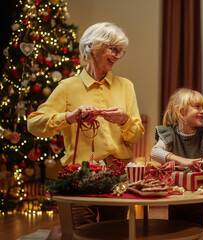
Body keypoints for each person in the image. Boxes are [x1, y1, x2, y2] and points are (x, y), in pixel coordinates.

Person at [27, 22, 144, 239]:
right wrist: (68, 117)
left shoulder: (126, 86)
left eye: (121, 51)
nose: (118, 56)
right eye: (113, 49)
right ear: (93, 47)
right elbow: (34, 124)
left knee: (115, 234)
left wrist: (124, 119)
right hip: (79, 176)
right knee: (81, 234)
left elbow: (136, 134)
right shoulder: (67, 87)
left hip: (117, 173)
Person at [151, 88, 203, 225]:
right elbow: (155, 152)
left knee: (201, 229)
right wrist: (182, 161)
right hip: (176, 197)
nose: (202, 111)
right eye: (197, 107)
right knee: (177, 228)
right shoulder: (169, 134)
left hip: (201, 197)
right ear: (181, 111)